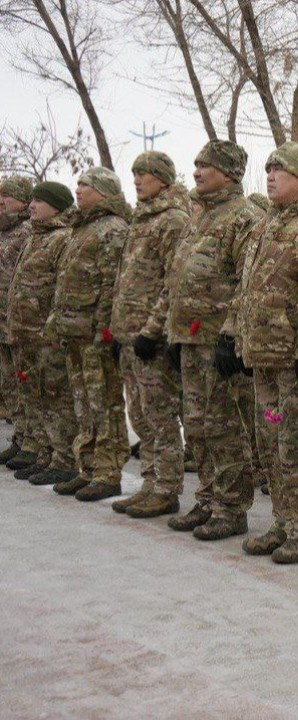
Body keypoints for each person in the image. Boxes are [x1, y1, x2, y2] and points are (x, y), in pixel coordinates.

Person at [144, 140, 264, 540]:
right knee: (197, 427)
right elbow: (177, 280)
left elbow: (248, 283)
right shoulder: (199, 217)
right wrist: (169, 331)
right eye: (194, 165)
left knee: (224, 427)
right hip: (190, 340)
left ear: (228, 172)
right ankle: (209, 499)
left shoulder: (242, 218)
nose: (195, 172)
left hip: (218, 344)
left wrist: (231, 333)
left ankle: (231, 508)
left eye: (204, 166)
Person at [230, 142, 298, 564]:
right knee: (271, 442)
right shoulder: (266, 224)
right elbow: (247, 288)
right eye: (268, 169)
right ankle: (282, 519)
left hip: (296, 360)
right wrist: (240, 337)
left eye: (281, 170)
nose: (271, 176)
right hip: (263, 356)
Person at [46, 167, 131, 501]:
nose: (78, 190)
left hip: (96, 336)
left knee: (104, 403)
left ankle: (109, 472)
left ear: (104, 190)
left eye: (86, 185)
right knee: (84, 404)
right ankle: (89, 467)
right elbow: (66, 281)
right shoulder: (81, 229)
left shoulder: (111, 229)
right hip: (74, 334)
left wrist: (105, 332)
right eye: (78, 184)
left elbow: (112, 284)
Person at [114, 152, 190, 518]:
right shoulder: (140, 220)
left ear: (163, 179)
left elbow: (170, 284)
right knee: (141, 416)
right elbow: (127, 281)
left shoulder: (173, 221)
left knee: (161, 417)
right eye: (134, 173)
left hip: (151, 338)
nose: (137, 180)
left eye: (144, 174)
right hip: (129, 334)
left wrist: (151, 330)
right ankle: (149, 481)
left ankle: (166, 488)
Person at [7, 182, 77, 485]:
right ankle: (45, 453)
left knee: (56, 397)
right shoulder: (37, 237)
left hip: (46, 334)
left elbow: (63, 289)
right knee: (35, 395)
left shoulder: (62, 239)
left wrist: (53, 327)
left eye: (39, 200)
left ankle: (63, 457)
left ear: (57, 206)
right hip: (25, 333)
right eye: (31, 199)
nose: (32, 205)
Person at [0, 176, 33, 465]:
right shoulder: (3, 232)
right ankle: (20, 437)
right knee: (10, 383)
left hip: (20, 320)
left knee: (26, 382)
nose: (2, 201)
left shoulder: (27, 231)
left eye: (7, 196)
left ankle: (32, 441)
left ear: (23, 200)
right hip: (2, 321)